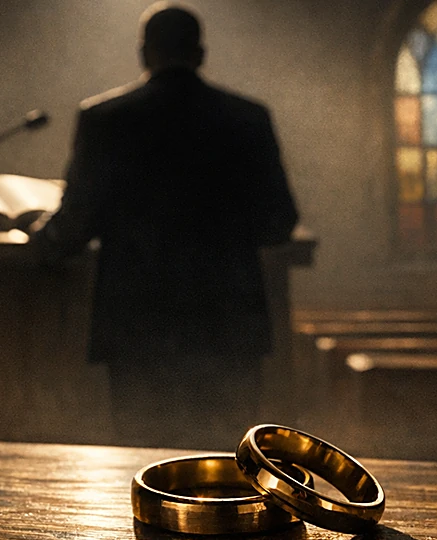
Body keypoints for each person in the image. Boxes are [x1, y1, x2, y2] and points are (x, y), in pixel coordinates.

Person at [30, 2, 299, 448]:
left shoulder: (105, 120)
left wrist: (39, 238)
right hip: (227, 323)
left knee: (147, 460)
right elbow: (279, 223)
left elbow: (74, 225)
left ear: (144, 53)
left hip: (139, 326)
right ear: (200, 53)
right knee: (228, 461)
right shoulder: (248, 119)